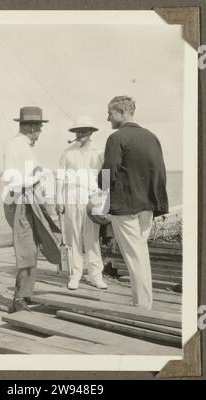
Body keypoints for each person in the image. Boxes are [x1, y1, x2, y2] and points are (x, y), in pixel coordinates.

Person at [99, 96, 168, 310]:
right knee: (140, 253)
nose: (108, 117)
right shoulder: (152, 137)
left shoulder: (116, 138)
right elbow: (159, 172)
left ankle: (142, 305)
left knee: (134, 256)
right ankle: (144, 301)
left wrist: (98, 187)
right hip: (147, 207)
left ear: (121, 113)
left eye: (110, 113)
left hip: (125, 206)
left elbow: (108, 171)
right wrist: (157, 203)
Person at [2, 106, 60, 312]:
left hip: (29, 200)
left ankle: (25, 295)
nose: (41, 132)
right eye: (40, 127)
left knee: (33, 248)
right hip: (21, 201)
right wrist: (36, 178)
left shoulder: (25, 146)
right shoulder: (15, 145)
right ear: (32, 126)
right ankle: (18, 300)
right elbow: (11, 177)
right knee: (26, 249)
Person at [56, 116, 108, 290]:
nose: (80, 134)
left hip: (93, 200)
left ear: (91, 132)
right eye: (78, 131)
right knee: (74, 238)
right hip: (71, 198)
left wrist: (104, 201)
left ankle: (96, 276)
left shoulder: (99, 152)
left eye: (84, 131)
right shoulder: (67, 152)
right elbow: (60, 178)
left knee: (92, 239)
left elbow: (106, 177)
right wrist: (59, 200)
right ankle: (75, 275)